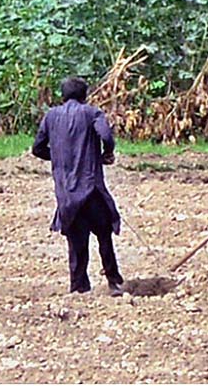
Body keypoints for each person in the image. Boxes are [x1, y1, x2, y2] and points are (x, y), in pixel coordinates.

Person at [32, 77, 124, 296]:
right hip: (91, 189)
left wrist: (58, 158)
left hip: (66, 194)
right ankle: (113, 282)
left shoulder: (51, 116)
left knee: (76, 242)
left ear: (62, 96)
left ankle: (79, 287)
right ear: (85, 96)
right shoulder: (92, 113)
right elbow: (106, 136)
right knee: (104, 235)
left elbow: (37, 148)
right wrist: (105, 154)